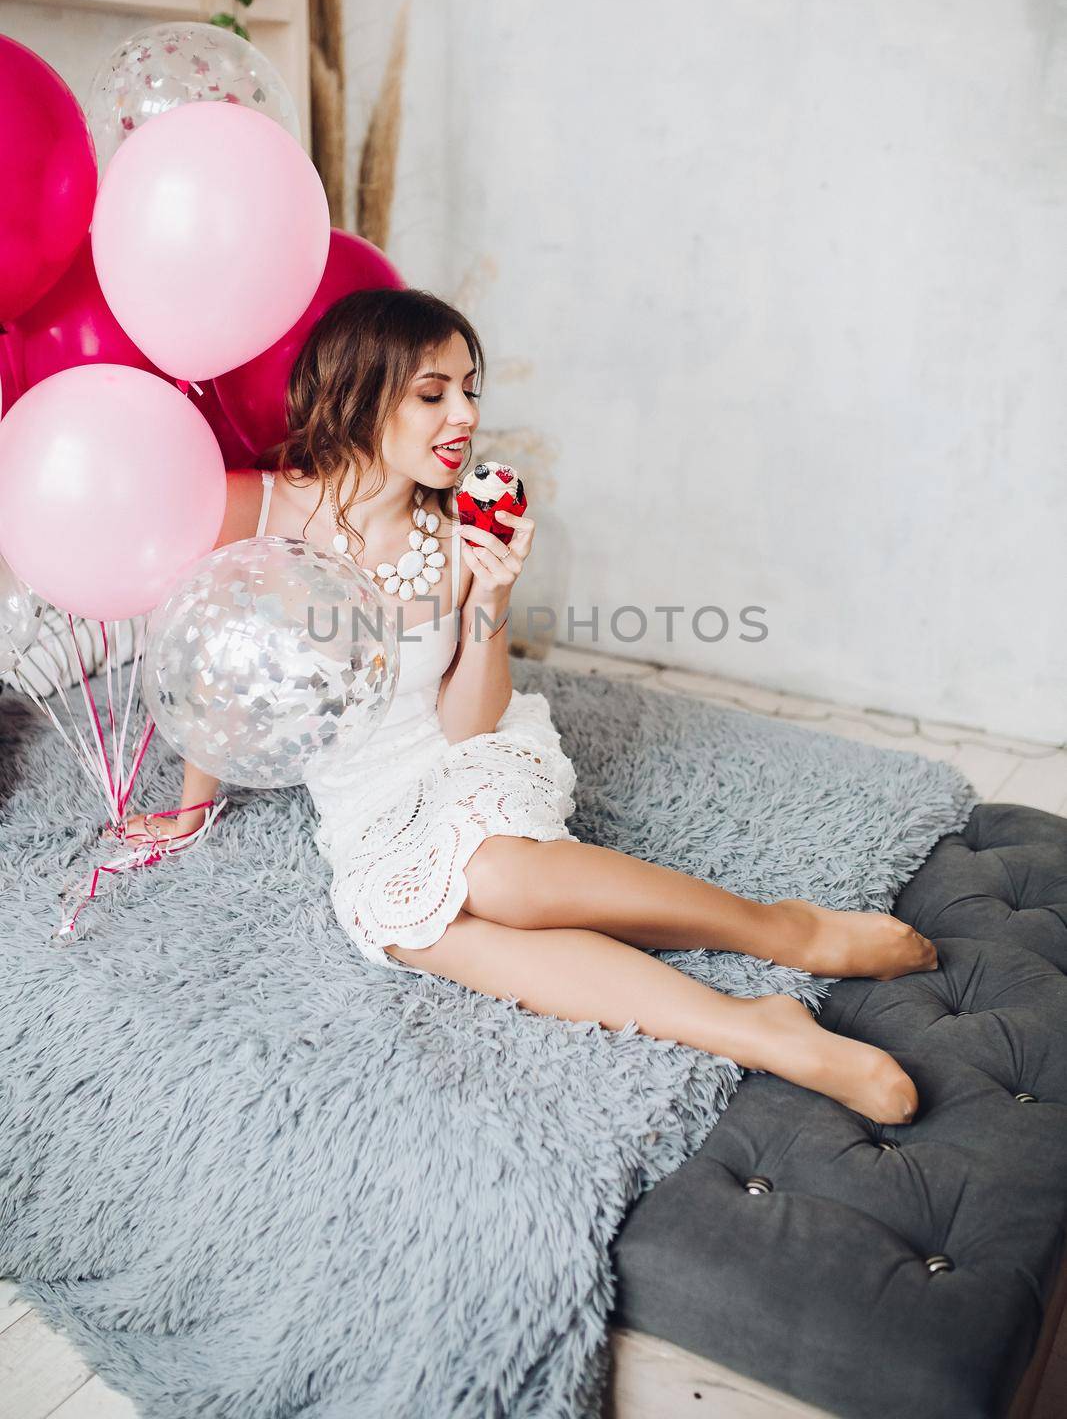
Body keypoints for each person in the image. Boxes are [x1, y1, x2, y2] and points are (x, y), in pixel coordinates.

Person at [123, 288, 936, 1124]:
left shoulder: (461, 532)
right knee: (413, 925)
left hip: (461, 752)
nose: (464, 416)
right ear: (357, 394)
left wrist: (492, 598)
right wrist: (192, 807)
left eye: (471, 390)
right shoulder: (249, 507)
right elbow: (210, 663)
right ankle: (754, 1028)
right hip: (360, 797)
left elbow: (466, 722)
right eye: (433, 392)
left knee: (494, 874)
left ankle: (780, 932)